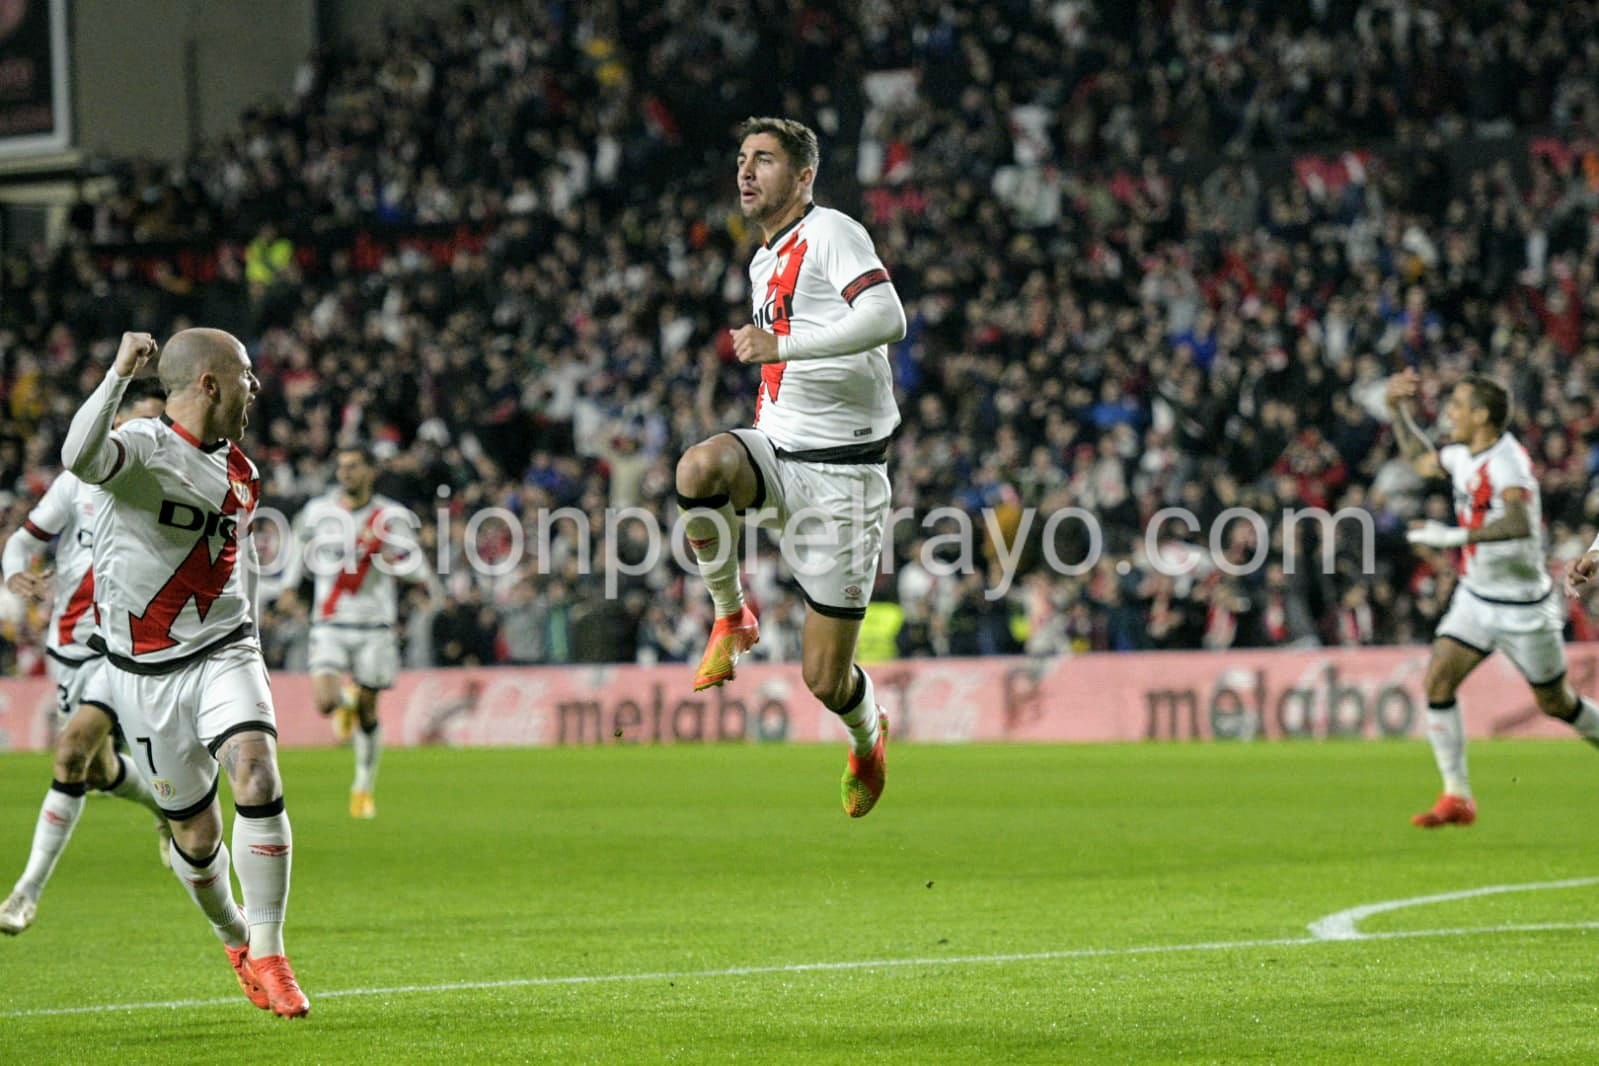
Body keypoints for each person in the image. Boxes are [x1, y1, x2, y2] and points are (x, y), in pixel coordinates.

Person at [59, 329, 308, 1017]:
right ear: (208, 382)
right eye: (247, 374)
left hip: (225, 650)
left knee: (256, 771)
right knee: (196, 840)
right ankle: (235, 939)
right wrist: (116, 373)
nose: (257, 386)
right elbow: (76, 456)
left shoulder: (243, 472)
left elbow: (238, 565)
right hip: (146, 676)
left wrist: (250, 632)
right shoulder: (141, 450)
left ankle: (272, 951)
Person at [675, 117, 905, 817]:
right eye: (742, 159)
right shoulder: (761, 260)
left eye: (765, 160)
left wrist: (782, 347)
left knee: (824, 680)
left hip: (843, 479)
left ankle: (866, 738)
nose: (746, 172)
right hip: (777, 452)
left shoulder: (832, 232)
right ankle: (730, 614)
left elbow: (887, 317)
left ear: (803, 177)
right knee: (698, 468)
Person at [1388, 368, 1599, 827]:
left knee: (1557, 704)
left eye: (1458, 406)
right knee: (1438, 681)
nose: (1450, 413)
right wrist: (1396, 410)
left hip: (1524, 607)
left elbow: (1520, 523)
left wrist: (1451, 537)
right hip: (1476, 598)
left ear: (1481, 415)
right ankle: (1457, 796)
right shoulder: (1464, 454)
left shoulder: (1508, 463)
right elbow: (1421, 461)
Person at [0, 380, 171, 936]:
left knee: (70, 753)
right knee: (95, 771)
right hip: (66, 646)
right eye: (137, 423)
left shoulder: (169, 488)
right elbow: (24, 541)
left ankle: (26, 892)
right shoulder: (77, 485)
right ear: (114, 424)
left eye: (158, 426)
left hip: (122, 649)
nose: (148, 435)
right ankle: (168, 809)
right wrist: (15, 574)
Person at [279, 444, 437, 818]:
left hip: (375, 624)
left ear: (370, 472)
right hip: (330, 620)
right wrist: (288, 586)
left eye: (354, 466)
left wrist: (390, 559)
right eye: (342, 467)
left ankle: (363, 787)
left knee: (369, 711)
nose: (346, 473)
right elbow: (297, 550)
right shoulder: (319, 512)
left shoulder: (391, 516)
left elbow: (417, 568)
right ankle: (344, 700)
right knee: (325, 702)